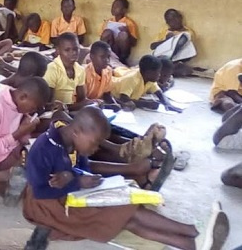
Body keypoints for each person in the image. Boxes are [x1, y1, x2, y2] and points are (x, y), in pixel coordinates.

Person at [21, 106, 227, 250]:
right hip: (45, 204)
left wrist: (84, 178)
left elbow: (82, 167)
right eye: (94, 144)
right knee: (123, 214)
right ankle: (192, 236)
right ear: (77, 131)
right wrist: (76, 181)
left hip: (72, 195)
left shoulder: (74, 142)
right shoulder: (43, 147)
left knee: (125, 210)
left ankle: (191, 239)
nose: (94, 149)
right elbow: (39, 190)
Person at [0, 77, 49, 174]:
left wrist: (25, 127)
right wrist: (18, 134)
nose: (32, 112)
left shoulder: (16, 101)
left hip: (7, 149)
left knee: (44, 148)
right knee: (36, 168)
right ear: (23, 97)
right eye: (32, 108)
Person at [44, 33, 97, 111]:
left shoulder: (80, 69)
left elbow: (81, 100)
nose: (73, 53)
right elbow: (47, 105)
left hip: (69, 110)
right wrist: (69, 107)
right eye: (67, 50)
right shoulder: (52, 69)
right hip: (52, 114)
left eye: (76, 49)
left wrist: (94, 102)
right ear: (58, 51)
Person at [111, 55, 182, 112]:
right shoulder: (132, 79)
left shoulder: (150, 80)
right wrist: (145, 104)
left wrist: (167, 104)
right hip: (112, 94)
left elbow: (159, 93)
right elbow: (124, 99)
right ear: (148, 73)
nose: (159, 75)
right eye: (158, 72)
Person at [151, 9, 196, 76]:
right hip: (163, 56)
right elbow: (152, 46)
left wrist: (174, 39)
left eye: (175, 18)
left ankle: (169, 66)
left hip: (177, 58)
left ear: (180, 17)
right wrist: (166, 40)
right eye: (170, 20)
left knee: (184, 38)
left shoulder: (188, 32)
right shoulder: (164, 32)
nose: (174, 22)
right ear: (167, 23)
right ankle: (167, 67)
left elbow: (188, 49)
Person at [84, 41, 121, 110]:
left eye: (108, 57)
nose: (107, 60)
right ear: (92, 57)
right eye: (103, 57)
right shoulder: (84, 73)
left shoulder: (108, 71)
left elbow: (107, 94)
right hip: (83, 107)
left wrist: (114, 103)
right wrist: (107, 106)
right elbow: (82, 100)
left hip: (97, 106)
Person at [100, 0, 138, 64]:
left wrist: (127, 33)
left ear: (124, 10)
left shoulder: (129, 23)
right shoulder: (108, 22)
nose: (113, 8)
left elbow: (134, 43)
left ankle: (122, 60)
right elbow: (101, 39)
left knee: (123, 34)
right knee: (107, 32)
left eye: (116, 7)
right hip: (110, 48)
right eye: (112, 6)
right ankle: (105, 56)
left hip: (121, 52)